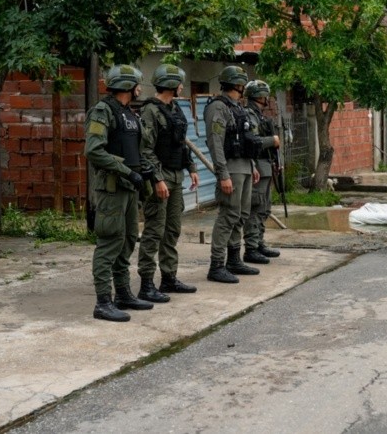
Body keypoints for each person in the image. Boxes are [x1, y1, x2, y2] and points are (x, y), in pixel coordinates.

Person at [85, 64, 154, 322]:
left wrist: (143, 171)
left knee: (126, 241)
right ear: (128, 86)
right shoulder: (103, 112)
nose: (139, 88)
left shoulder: (129, 114)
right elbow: (94, 150)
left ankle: (123, 293)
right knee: (109, 242)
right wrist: (125, 170)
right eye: (136, 83)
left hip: (129, 187)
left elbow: (136, 149)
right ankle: (103, 301)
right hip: (113, 188)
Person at [136, 64, 200, 302]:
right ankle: (146, 284)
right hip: (160, 178)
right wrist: (158, 179)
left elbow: (181, 142)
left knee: (172, 229)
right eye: (180, 82)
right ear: (172, 84)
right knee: (154, 230)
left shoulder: (174, 109)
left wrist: (191, 168)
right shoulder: (150, 111)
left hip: (176, 175)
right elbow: (145, 150)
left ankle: (169, 278)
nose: (183, 86)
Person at [203, 65, 261, 283]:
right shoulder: (218, 107)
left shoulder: (238, 107)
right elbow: (215, 142)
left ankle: (234, 259)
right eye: (241, 82)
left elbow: (245, 138)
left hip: (244, 166)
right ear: (235, 83)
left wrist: (252, 165)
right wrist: (222, 174)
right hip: (231, 168)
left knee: (241, 215)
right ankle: (217, 264)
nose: (244, 86)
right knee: (228, 214)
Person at [242, 80, 282, 264]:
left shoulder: (259, 115)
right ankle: (251, 247)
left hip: (266, 164)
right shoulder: (249, 115)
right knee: (255, 207)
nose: (267, 98)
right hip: (257, 165)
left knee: (265, 207)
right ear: (259, 96)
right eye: (265, 95)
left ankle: (259, 242)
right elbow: (253, 141)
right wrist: (272, 140)